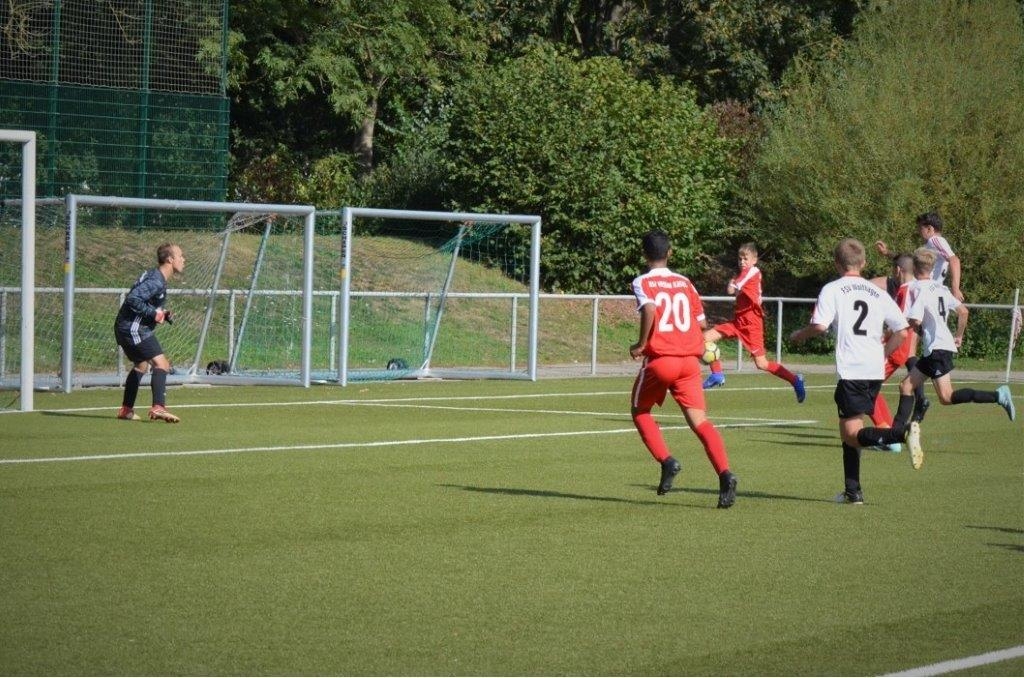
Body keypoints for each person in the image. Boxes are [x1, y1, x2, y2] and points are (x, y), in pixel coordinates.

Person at [789, 238, 911, 505]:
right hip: (874, 371)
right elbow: (902, 332)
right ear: (864, 262)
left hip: (852, 369)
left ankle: (900, 434)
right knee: (851, 429)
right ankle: (852, 491)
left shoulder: (832, 289)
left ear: (836, 263)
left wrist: (799, 335)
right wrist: (883, 354)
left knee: (852, 434)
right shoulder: (877, 292)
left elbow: (820, 326)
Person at [628, 230, 738, 508]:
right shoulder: (685, 282)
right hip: (689, 361)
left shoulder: (642, 281)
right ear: (670, 253)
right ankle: (725, 474)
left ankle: (667, 461)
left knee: (640, 411)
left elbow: (650, 309)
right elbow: (701, 324)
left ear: (644, 254)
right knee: (700, 422)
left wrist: (641, 344)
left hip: (662, 359)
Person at [887, 248, 1015, 470]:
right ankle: (895, 436)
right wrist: (959, 336)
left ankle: (998, 395)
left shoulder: (919, 290)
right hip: (937, 348)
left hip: (937, 349)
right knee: (906, 386)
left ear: (915, 268)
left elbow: (915, 320)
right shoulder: (941, 288)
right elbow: (963, 311)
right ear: (930, 268)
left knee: (946, 397)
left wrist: (898, 328)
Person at [701, 242, 806, 403]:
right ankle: (717, 374)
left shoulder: (751, 272)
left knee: (762, 364)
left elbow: (731, 290)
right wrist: (734, 283)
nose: (742, 261)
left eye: (746, 258)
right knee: (704, 338)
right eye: (740, 258)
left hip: (751, 325)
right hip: (738, 322)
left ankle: (795, 380)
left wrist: (732, 282)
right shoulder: (745, 274)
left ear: (754, 260)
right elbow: (737, 289)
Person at [114, 242, 185, 423]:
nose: (183, 259)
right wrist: (154, 314)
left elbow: (144, 302)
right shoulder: (156, 280)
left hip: (127, 327)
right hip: (133, 328)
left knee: (141, 365)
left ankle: (126, 410)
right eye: (180, 256)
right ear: (170, 259)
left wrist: (162, 314)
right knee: (162, 364)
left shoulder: (156, 277)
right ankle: (158, 407)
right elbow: (133, 299)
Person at [865, 253, 928, 451]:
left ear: (898, 270)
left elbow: (899, 323)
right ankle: (889, 434)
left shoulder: (905, 290)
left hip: (896, 346)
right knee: (871, 388)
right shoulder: (919, 288)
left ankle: (890, 439)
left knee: (864, 389)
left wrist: (885, 339)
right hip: (903, 346)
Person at [875, 210, 963, 302]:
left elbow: (954, 260)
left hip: (923, 289)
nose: (918, 231)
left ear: (929, 229)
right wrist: (887, 252)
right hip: (924, 290)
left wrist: (955, 289)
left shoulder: (935, 240)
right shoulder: (930, 247)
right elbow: (907, 261)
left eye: (920, 228)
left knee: (880, 284)